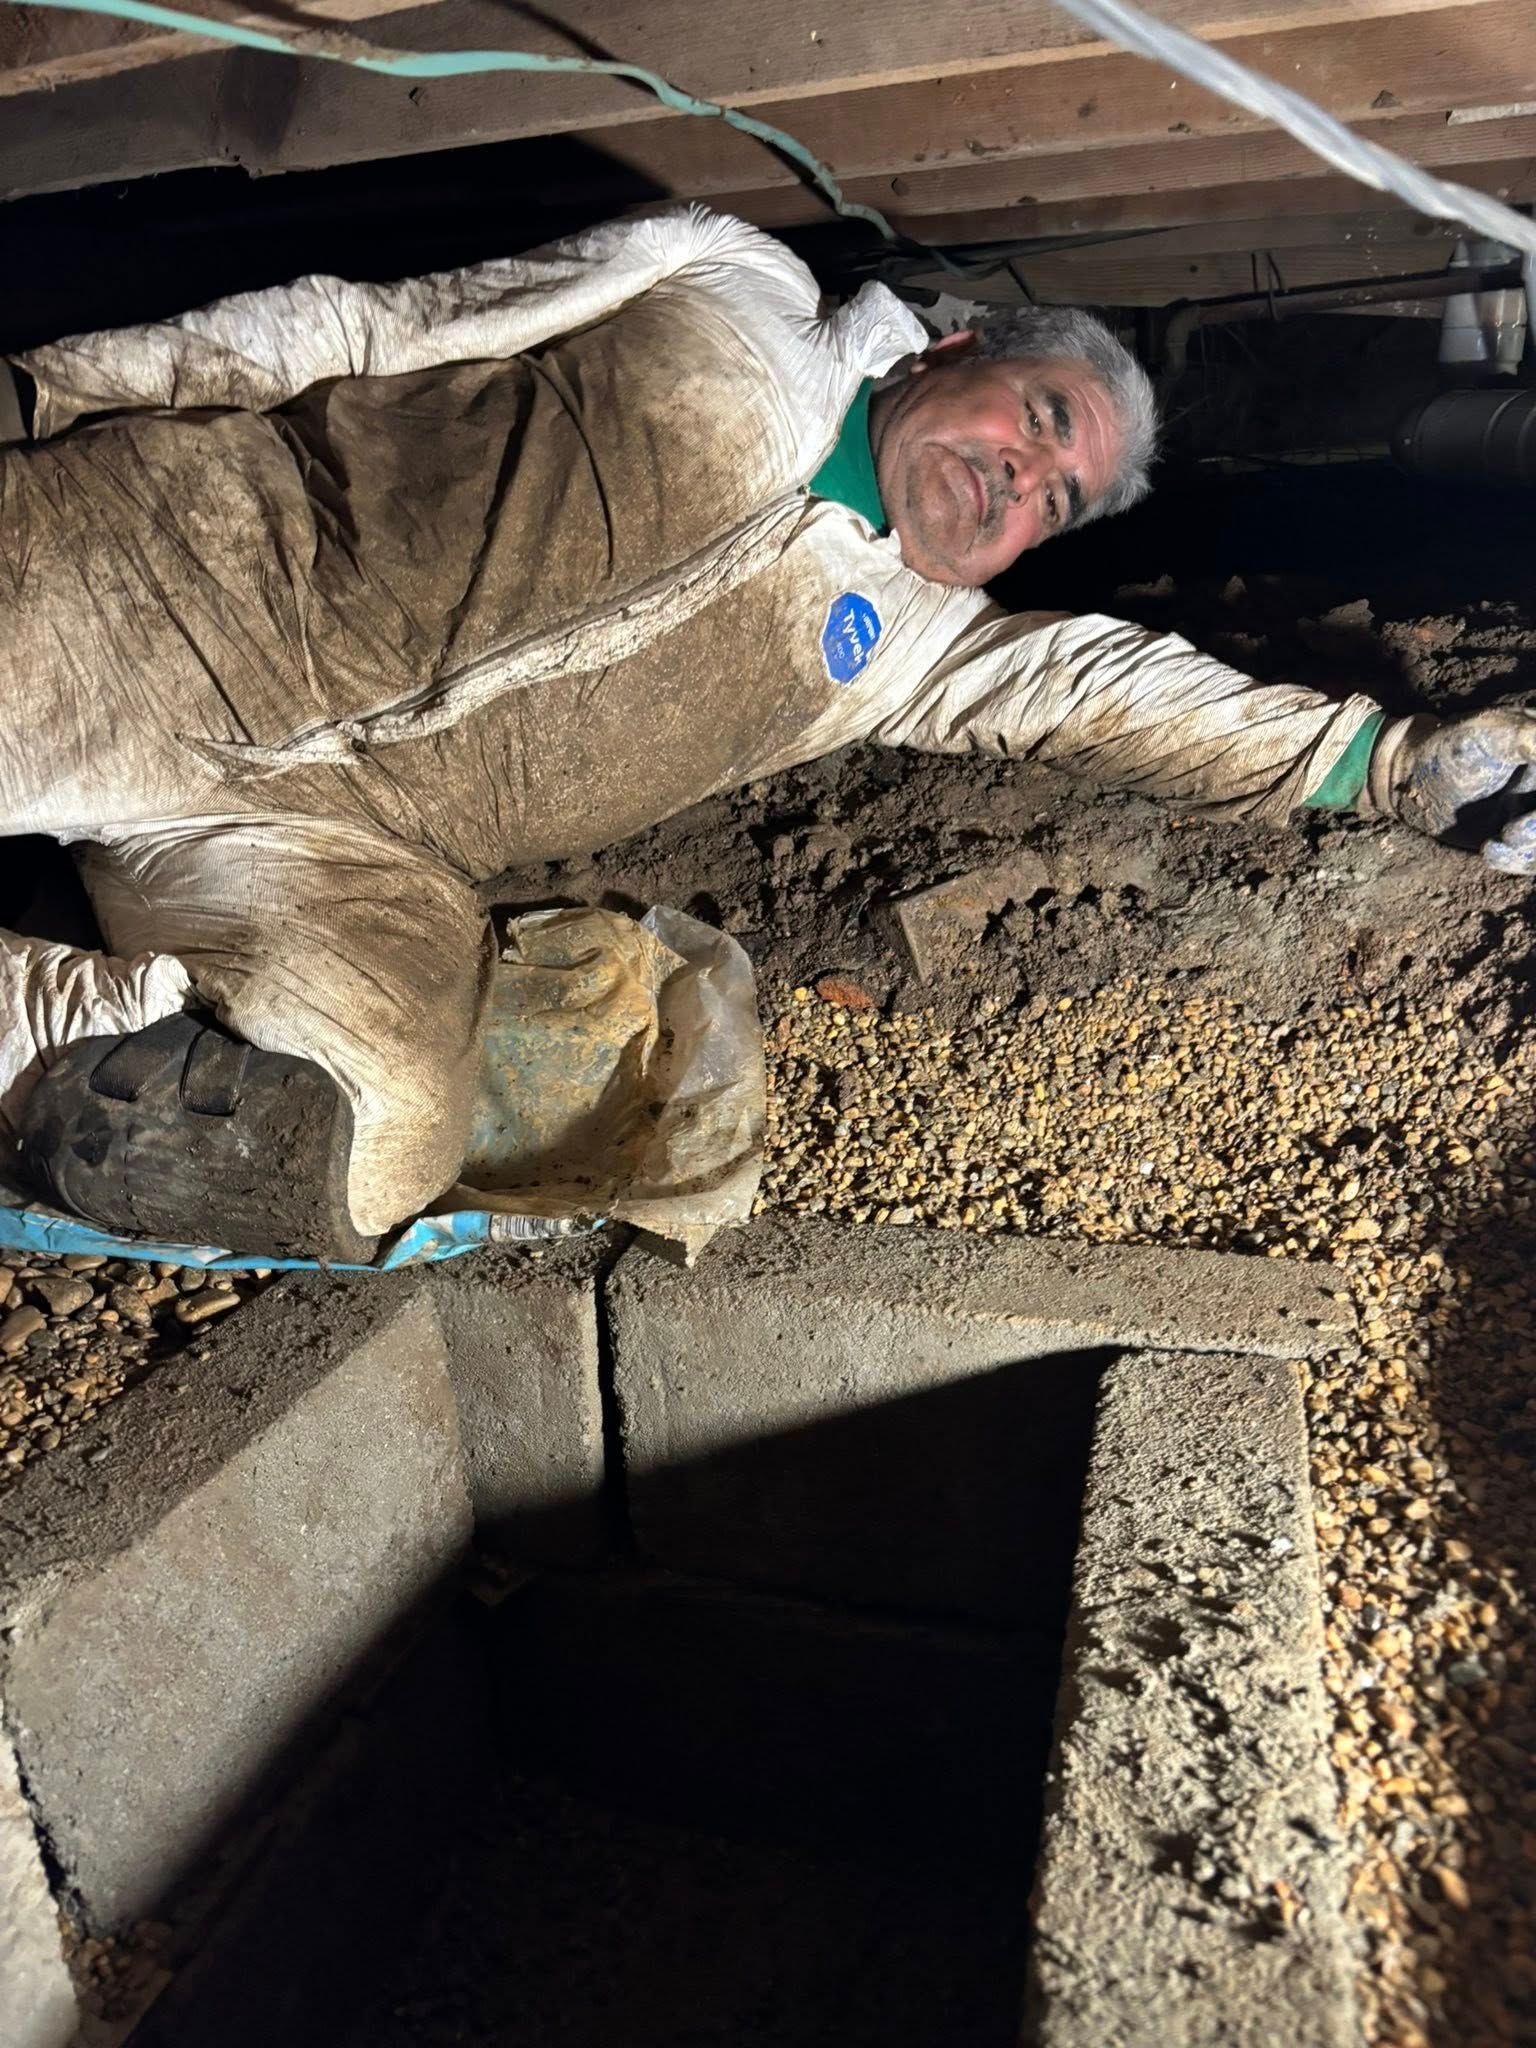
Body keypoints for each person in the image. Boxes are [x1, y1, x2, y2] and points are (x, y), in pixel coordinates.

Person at [1, 204, 1531, 1256]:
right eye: (1039, 423)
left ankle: (46, 1029)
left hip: (336, 842)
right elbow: (377, 326)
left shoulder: (911, 649)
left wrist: (1391, 768)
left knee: (376, 1138)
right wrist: (56, 391)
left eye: (1056, 504)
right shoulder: (728, 291)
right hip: (181, 582)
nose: (1021, 485)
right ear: (954, 353)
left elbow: (1105, 693)